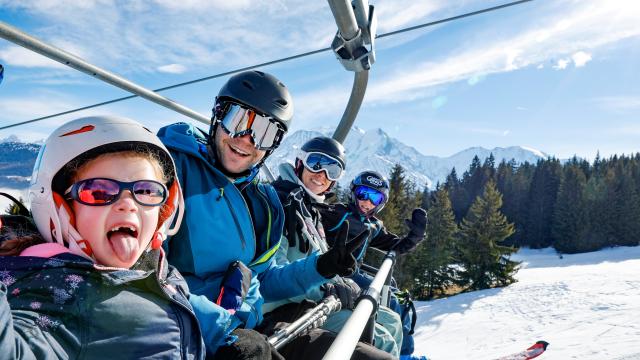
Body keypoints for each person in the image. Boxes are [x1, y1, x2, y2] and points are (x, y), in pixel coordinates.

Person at [157, 71, 366, 358]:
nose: (246, 139)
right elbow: (146, 275)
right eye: (238, 120)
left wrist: (320, 267)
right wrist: (222, 332)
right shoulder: (172, 172)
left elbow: (263, 281)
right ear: (218, 115)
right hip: (189, 336)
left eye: (265, 133)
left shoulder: (264, 202)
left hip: (254, 331)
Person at [0, 116, 213, 359]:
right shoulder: (60, 294)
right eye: (99, 192)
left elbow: (175, 299)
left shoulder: (152, 266)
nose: (128, 204)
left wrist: (228, 334)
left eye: (146, 191)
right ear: (61, 210)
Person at [266, 136, 399, 359]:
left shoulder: (310, 208)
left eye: (332, 170)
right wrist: (327, 289)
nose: (322, 175)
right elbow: (272, 275)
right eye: (316, 163)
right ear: (300, 163)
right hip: (291, 308)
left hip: (318, 299)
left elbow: (321, 260)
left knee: (391, 321)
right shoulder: (281, 203)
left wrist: (341, 283)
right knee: (382, 339)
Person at [319, 170, 428, 360]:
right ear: (354, 193)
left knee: (400, 299)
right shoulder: (338, 213)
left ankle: (405, 354)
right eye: (363, 194)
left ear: (381, 203)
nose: (367, 202)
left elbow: (395, 246)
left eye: (375, 198)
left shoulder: (373, 225)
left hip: (354, 273)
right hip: (335, 272)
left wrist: (415, 236)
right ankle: (400, 354)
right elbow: (316, 213)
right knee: (391, 300)